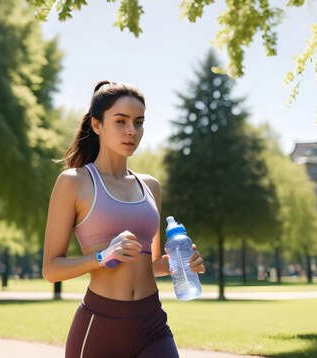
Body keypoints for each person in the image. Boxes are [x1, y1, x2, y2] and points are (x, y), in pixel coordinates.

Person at [43, 80, 206, 358]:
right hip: (100, 324)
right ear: (97, 125)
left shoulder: (150, 186)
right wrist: (102, 256)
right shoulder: (74, 182)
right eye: (120, 121)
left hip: (151, 321)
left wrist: (176, 266)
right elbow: (51, 269)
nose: (132, 130)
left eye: (138, 122)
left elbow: (150, 264)